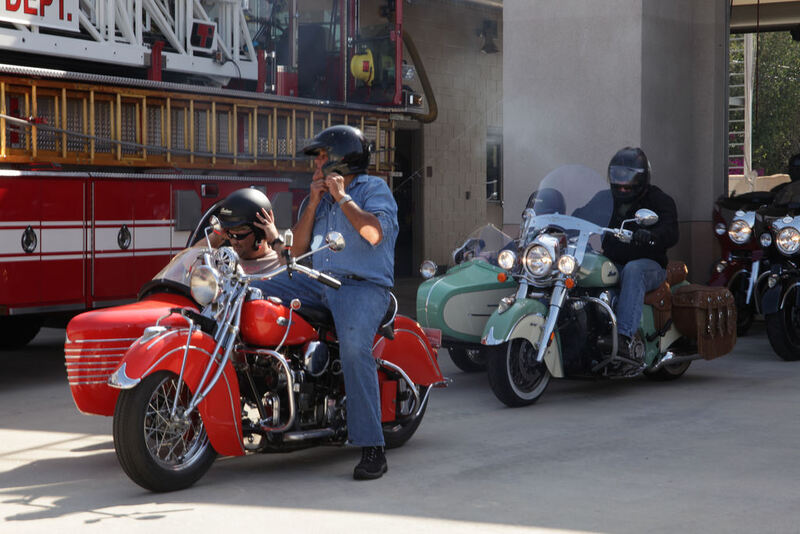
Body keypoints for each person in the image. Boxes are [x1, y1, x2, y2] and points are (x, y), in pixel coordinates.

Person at [252, 124, 399, 480]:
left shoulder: (373, 189)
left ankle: (373, 448)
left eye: (320, 157)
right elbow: (300, 249)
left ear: (340, 159)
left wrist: (343, 197)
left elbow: (374, 234)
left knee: (354, 350)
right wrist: (316, 201)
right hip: (315, 281)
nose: (315, 164)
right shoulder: (316, 198)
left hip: (361, 287)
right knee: (252, 291)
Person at [601, 147, 679, 360]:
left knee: (633, 270)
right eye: (618, 175)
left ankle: (624, 338)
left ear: (642, 177)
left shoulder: (658, 200)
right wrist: (557, 220)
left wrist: (652, 235)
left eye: (629, 177)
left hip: (649, 265)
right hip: (613, 260)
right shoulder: (605, 198)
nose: (622, 184)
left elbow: (671, 231)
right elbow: (581, 213)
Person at [204, 188, 286, 274]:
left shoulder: (279, 262)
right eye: (230, 234)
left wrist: (276, 240)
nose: (234, 241)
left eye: (239, 234)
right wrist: (218, 235)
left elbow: (292, 274)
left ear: (261, 231)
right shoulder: (223, 258)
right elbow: (193, 256)